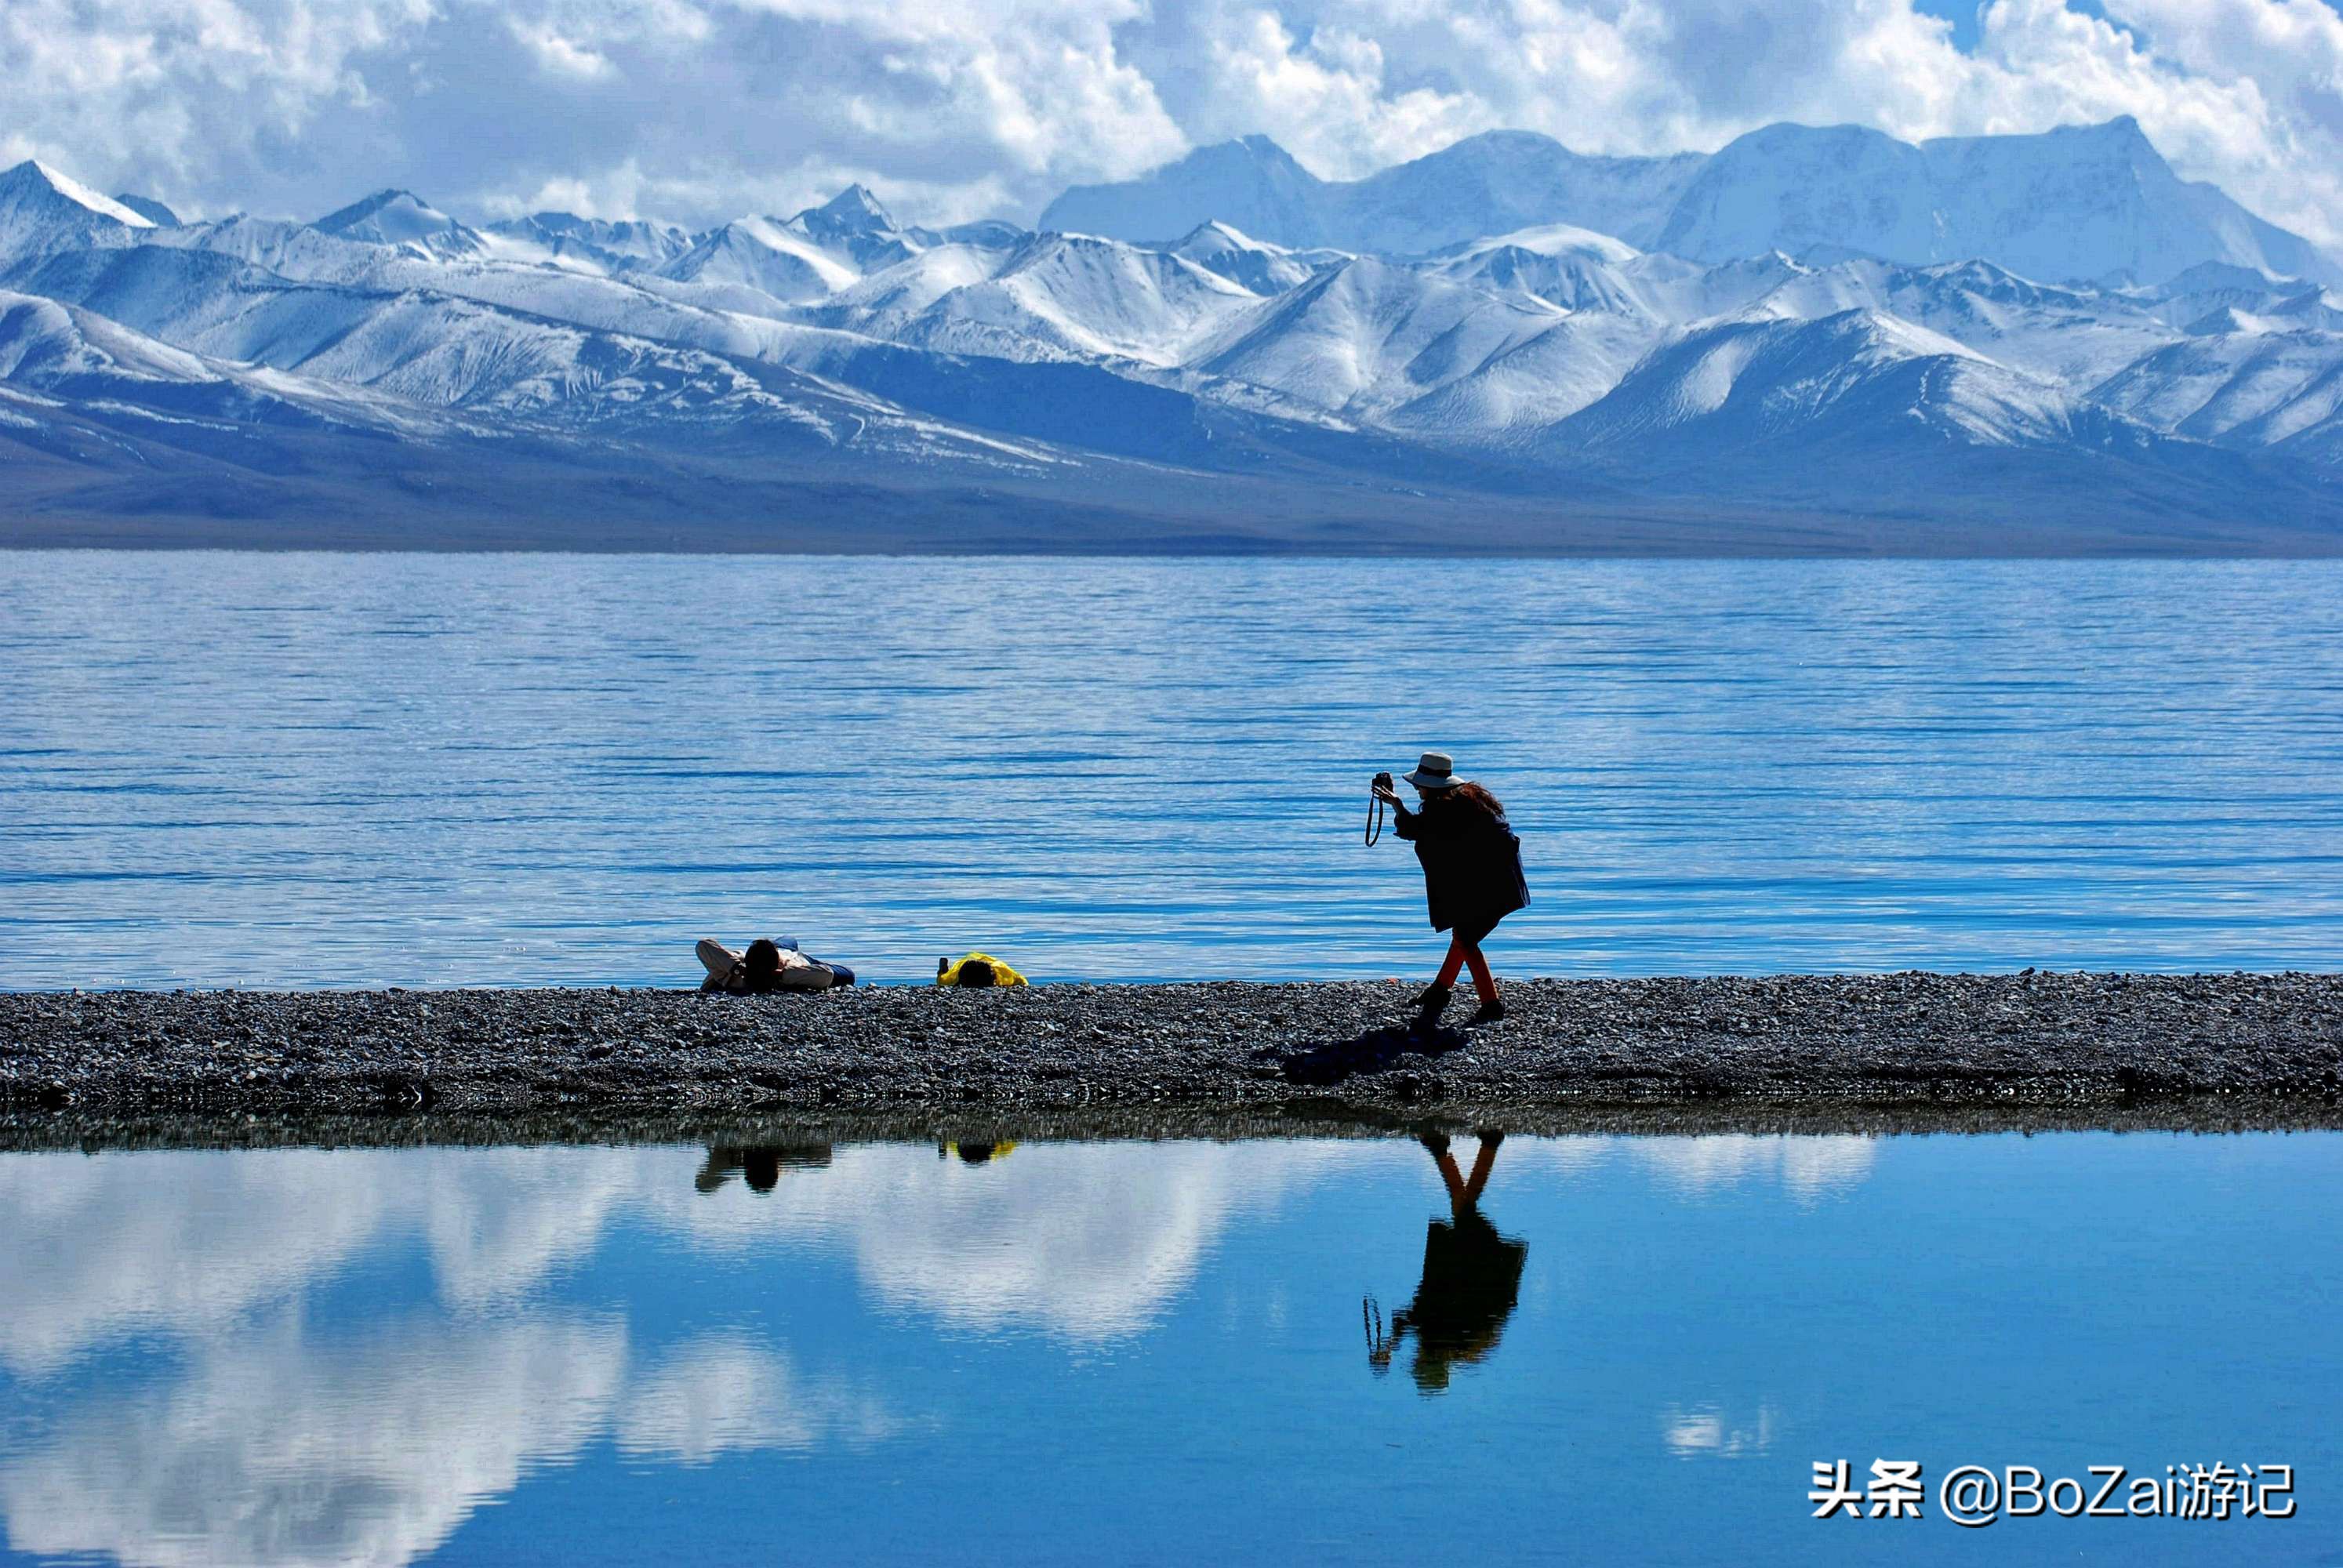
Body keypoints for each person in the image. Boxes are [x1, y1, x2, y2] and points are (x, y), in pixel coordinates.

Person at [1372, 750, 1528, 1025]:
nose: (1417, 789)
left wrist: (1396, 804)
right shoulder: (1463, 801)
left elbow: (1415, 830)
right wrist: (1397, 804)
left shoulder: (1446, 810)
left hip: (1492, 884)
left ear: (1432, 787)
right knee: (1464, 933)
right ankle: (1440, 990)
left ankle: (1491, 1005)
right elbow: (1422, 829)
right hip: (1500, 881)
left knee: (1467, 939)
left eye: (1419, 785)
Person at [1366, 1130, 1527, 1393]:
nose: (1416, 1356)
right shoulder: (1458, 1340)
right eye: (1419, 1362)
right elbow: (1419, 1317)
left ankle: (1468, 1147)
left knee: (1463, 1207)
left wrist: (1391, 1345)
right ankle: (1459, 1149)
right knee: (1464, 1209)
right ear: (1430, 1362)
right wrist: (1393, 1341)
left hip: (1479, 1265)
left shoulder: (1454, 1344)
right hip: (1481, 1266)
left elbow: (1414, 1318)